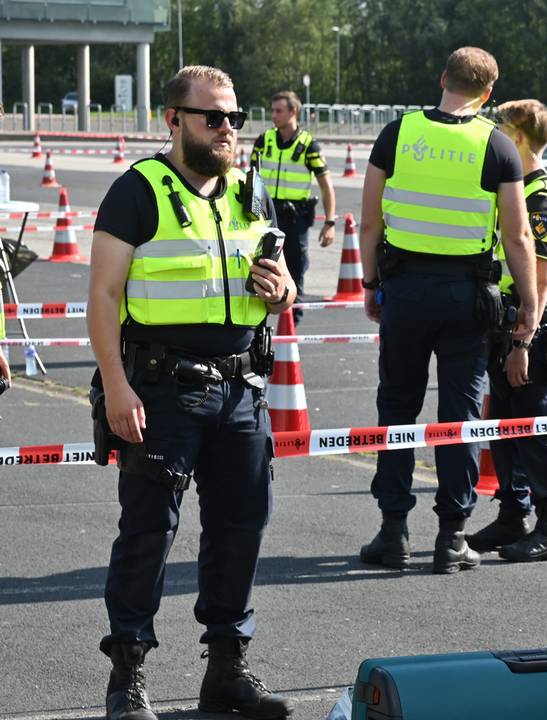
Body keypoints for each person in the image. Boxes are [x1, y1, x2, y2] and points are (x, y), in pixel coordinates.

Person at [87, 65, 297, 720]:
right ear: (174, 119)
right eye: (214, 117)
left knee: (241, 527)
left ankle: (227, 670)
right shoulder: (137, 191)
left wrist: (282, 291)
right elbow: (103, 296)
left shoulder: (248, 188)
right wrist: (116, 387)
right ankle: (128, 676)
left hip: (241, 391)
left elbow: (282, 279)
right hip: (159, 388)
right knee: (148, 531)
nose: (228, 128)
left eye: (235, 116)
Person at [357, 47, 539, 575]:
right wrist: (528, 303)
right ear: (487, 94)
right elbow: (518, 235)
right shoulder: (497, 146)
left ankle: (393, 531)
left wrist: (372, 285)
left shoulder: (397, 133)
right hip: (468, 299)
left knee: (396, 411)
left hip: (405, 292)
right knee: (459, 418)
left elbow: (369, 221)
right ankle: (452, 536)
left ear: (442, 79)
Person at [464, 99, 547, 562]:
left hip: (529, 330)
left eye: (500, 128)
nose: (493, 136)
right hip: (503, 325)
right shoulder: (515, 190)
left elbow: (541, 278)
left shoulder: (541, 198)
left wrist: (522, 342)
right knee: (505, 426)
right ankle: (514, 512)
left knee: (536, 428)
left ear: (521, 138)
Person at [251, 90, 337, 323]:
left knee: (296, 268)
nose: (274, 116)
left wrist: (330, 223)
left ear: (293, 112)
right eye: (273, 110)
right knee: (260, 267)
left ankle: (292, 322)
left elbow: (326, 185)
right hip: (265, 216)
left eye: (279, 111)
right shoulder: (264, 141)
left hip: (295, 218)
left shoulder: (309, 146)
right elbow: (251, 178)